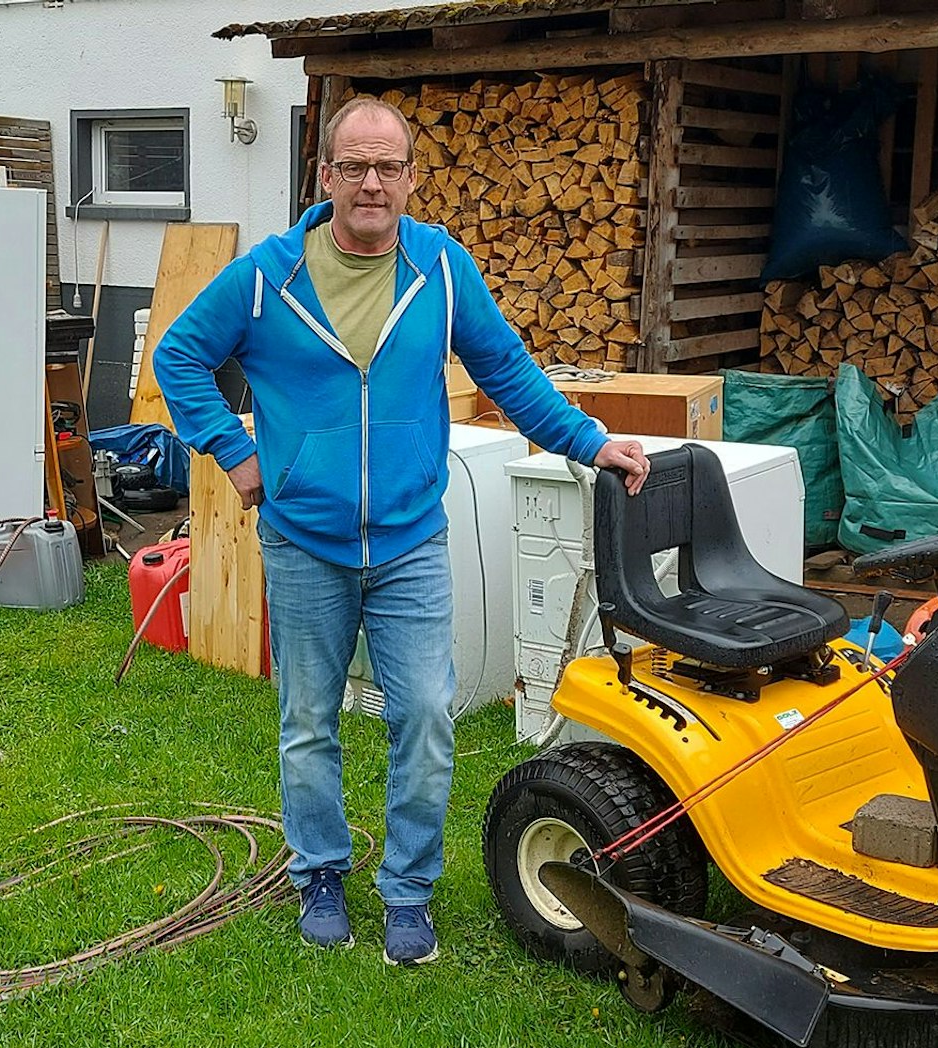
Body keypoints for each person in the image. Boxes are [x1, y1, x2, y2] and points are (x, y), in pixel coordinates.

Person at [153, 96, 649, 966]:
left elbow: (509, 370)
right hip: (303, 539)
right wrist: (235, 454)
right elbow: (179, 355)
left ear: (412, 178)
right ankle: (319, 877)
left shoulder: (442, 269)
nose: (371, 183)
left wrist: (591, 442)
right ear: (326, 177)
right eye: (355, 166)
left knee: (424, 714)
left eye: (388, 167)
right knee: (309, 719)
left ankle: (409, 894)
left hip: (413, 539)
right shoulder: (268, 277)